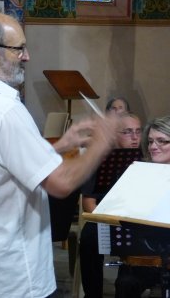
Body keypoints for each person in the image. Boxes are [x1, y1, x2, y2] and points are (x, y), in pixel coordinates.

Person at [0, 11, 119, 297]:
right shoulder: (5, 110)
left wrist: (60, 145)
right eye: (19, 48)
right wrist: (101, 143)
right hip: (15, 278)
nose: (27, 56)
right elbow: (61, 183)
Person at [79, 112, 143, 298]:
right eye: (128, 132)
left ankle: (125, 289)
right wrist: (108, 221)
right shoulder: (99, 161)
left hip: (134, 220)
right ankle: (93, 294)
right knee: (89, 239)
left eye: (138, 132)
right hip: (105, 218)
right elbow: (88, 203)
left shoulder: (146, 159)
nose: (134, 137)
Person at [114, 115, 170, 298]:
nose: (153, 147)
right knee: (126, 282)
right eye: (151, 141)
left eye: (162, 141)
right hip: (143, 254)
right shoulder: (138, 173)